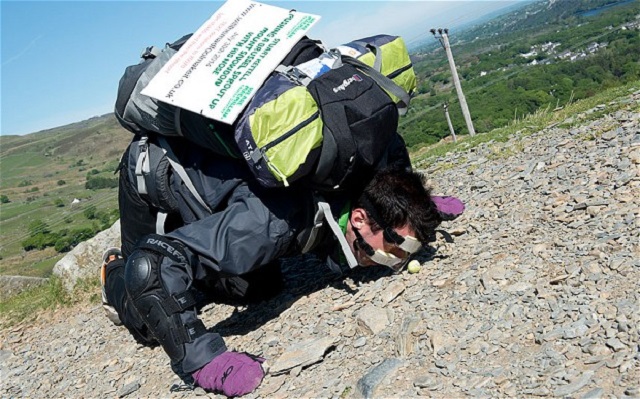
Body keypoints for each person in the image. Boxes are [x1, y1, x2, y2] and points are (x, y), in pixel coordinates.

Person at [100, 131, 461, 397]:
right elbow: (153, 267)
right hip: (152, 168)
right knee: (148, 313)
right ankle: (111, 272)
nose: (393, 260)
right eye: (393, 250)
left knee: (259, 285)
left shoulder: (363, 165)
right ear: (360, 218)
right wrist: (203, 361)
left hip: (215, 171)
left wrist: (418, 215)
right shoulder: (271, 224)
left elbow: (391, 145)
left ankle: (202, 234)